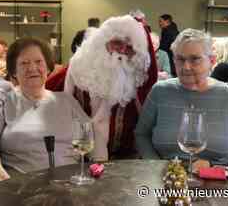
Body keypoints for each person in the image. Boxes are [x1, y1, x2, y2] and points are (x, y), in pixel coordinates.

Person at [135, 28, 228, 170]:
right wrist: (156, 167)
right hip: (165, 180)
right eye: (180, 59)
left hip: (218, 184)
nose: (186, 67)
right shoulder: (160, 91)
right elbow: (141, 134)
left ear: (211, 60)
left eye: (195, 59)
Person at [0, 38, 89, 183]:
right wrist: (3, 179)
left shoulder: (66, 100)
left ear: (47, 68)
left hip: (71, 186)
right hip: (22, 190)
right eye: (24, 63)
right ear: (14, 71)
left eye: (39, 62)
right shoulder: (2, 101)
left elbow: (89, 135)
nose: (32, 68)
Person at [47, 15, 158, 161]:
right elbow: (44, 99)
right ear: (102, 42)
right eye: (117, 43)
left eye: (130, 48)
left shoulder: (139, 81)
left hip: (127, 162)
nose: (122, 51)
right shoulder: (76, 71)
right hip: (78, 160)